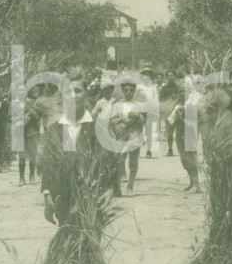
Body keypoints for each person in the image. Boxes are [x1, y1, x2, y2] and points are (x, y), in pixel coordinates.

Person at [39, 77, 120, 225]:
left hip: (92, 197)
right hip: (62, 196)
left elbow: (110, 160)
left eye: (78, 91)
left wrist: (110, 189)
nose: (73, 95)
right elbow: (48, 164)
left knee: (89, 240)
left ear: (86, 94)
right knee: (66, 239)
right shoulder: (55, 129)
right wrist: (47, 193)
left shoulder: (98, 127)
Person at [111, 81, 147, 195]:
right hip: (121, 135)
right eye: (126, 90)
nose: (128, 92)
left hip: (134, 135)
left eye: (131, 90)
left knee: (133, 161)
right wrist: (122, 120)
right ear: (123, 91)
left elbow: (144, 120)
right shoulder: (117, 105)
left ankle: (130, 186)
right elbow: (112, 120)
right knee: (119, 160)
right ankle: (117, 187)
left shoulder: (139, 105)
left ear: (134, 91)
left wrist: (136, 117)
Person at [17, 86, 43, 185]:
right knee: (22, 156)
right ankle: (21, 177)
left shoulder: (33, 103)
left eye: (23, 90)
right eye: (19, 90)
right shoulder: (14, 104)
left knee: (33, 155)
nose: (21, 92)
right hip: (20, 134)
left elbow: (40, 115)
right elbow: (9, 119)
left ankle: (32, 176)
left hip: (32, 132)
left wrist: (34, 114)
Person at [138, 64, 158, 158]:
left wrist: (155, 111)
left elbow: (155, 100)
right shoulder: (138, 86)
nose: (146, 76)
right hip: (139, 110)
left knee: (149, 131)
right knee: (137, 130)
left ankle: (149, 151)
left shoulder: (153, 87)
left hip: (149, 111)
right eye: (144, 74)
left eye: (148, 74)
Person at [160, 70, 181, 156]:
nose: (170, 77)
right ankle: (170, 149)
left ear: (175, 77)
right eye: (168, 75)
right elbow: (161, 99)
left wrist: (177, 98)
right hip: (168, 111)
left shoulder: (179, 87)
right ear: (166, 77)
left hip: (178, 111)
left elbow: (182, 98)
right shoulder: (164, 88)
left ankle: (181, 150)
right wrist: (169, 98)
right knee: (170, 132)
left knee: (179, 133)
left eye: (172, 75)